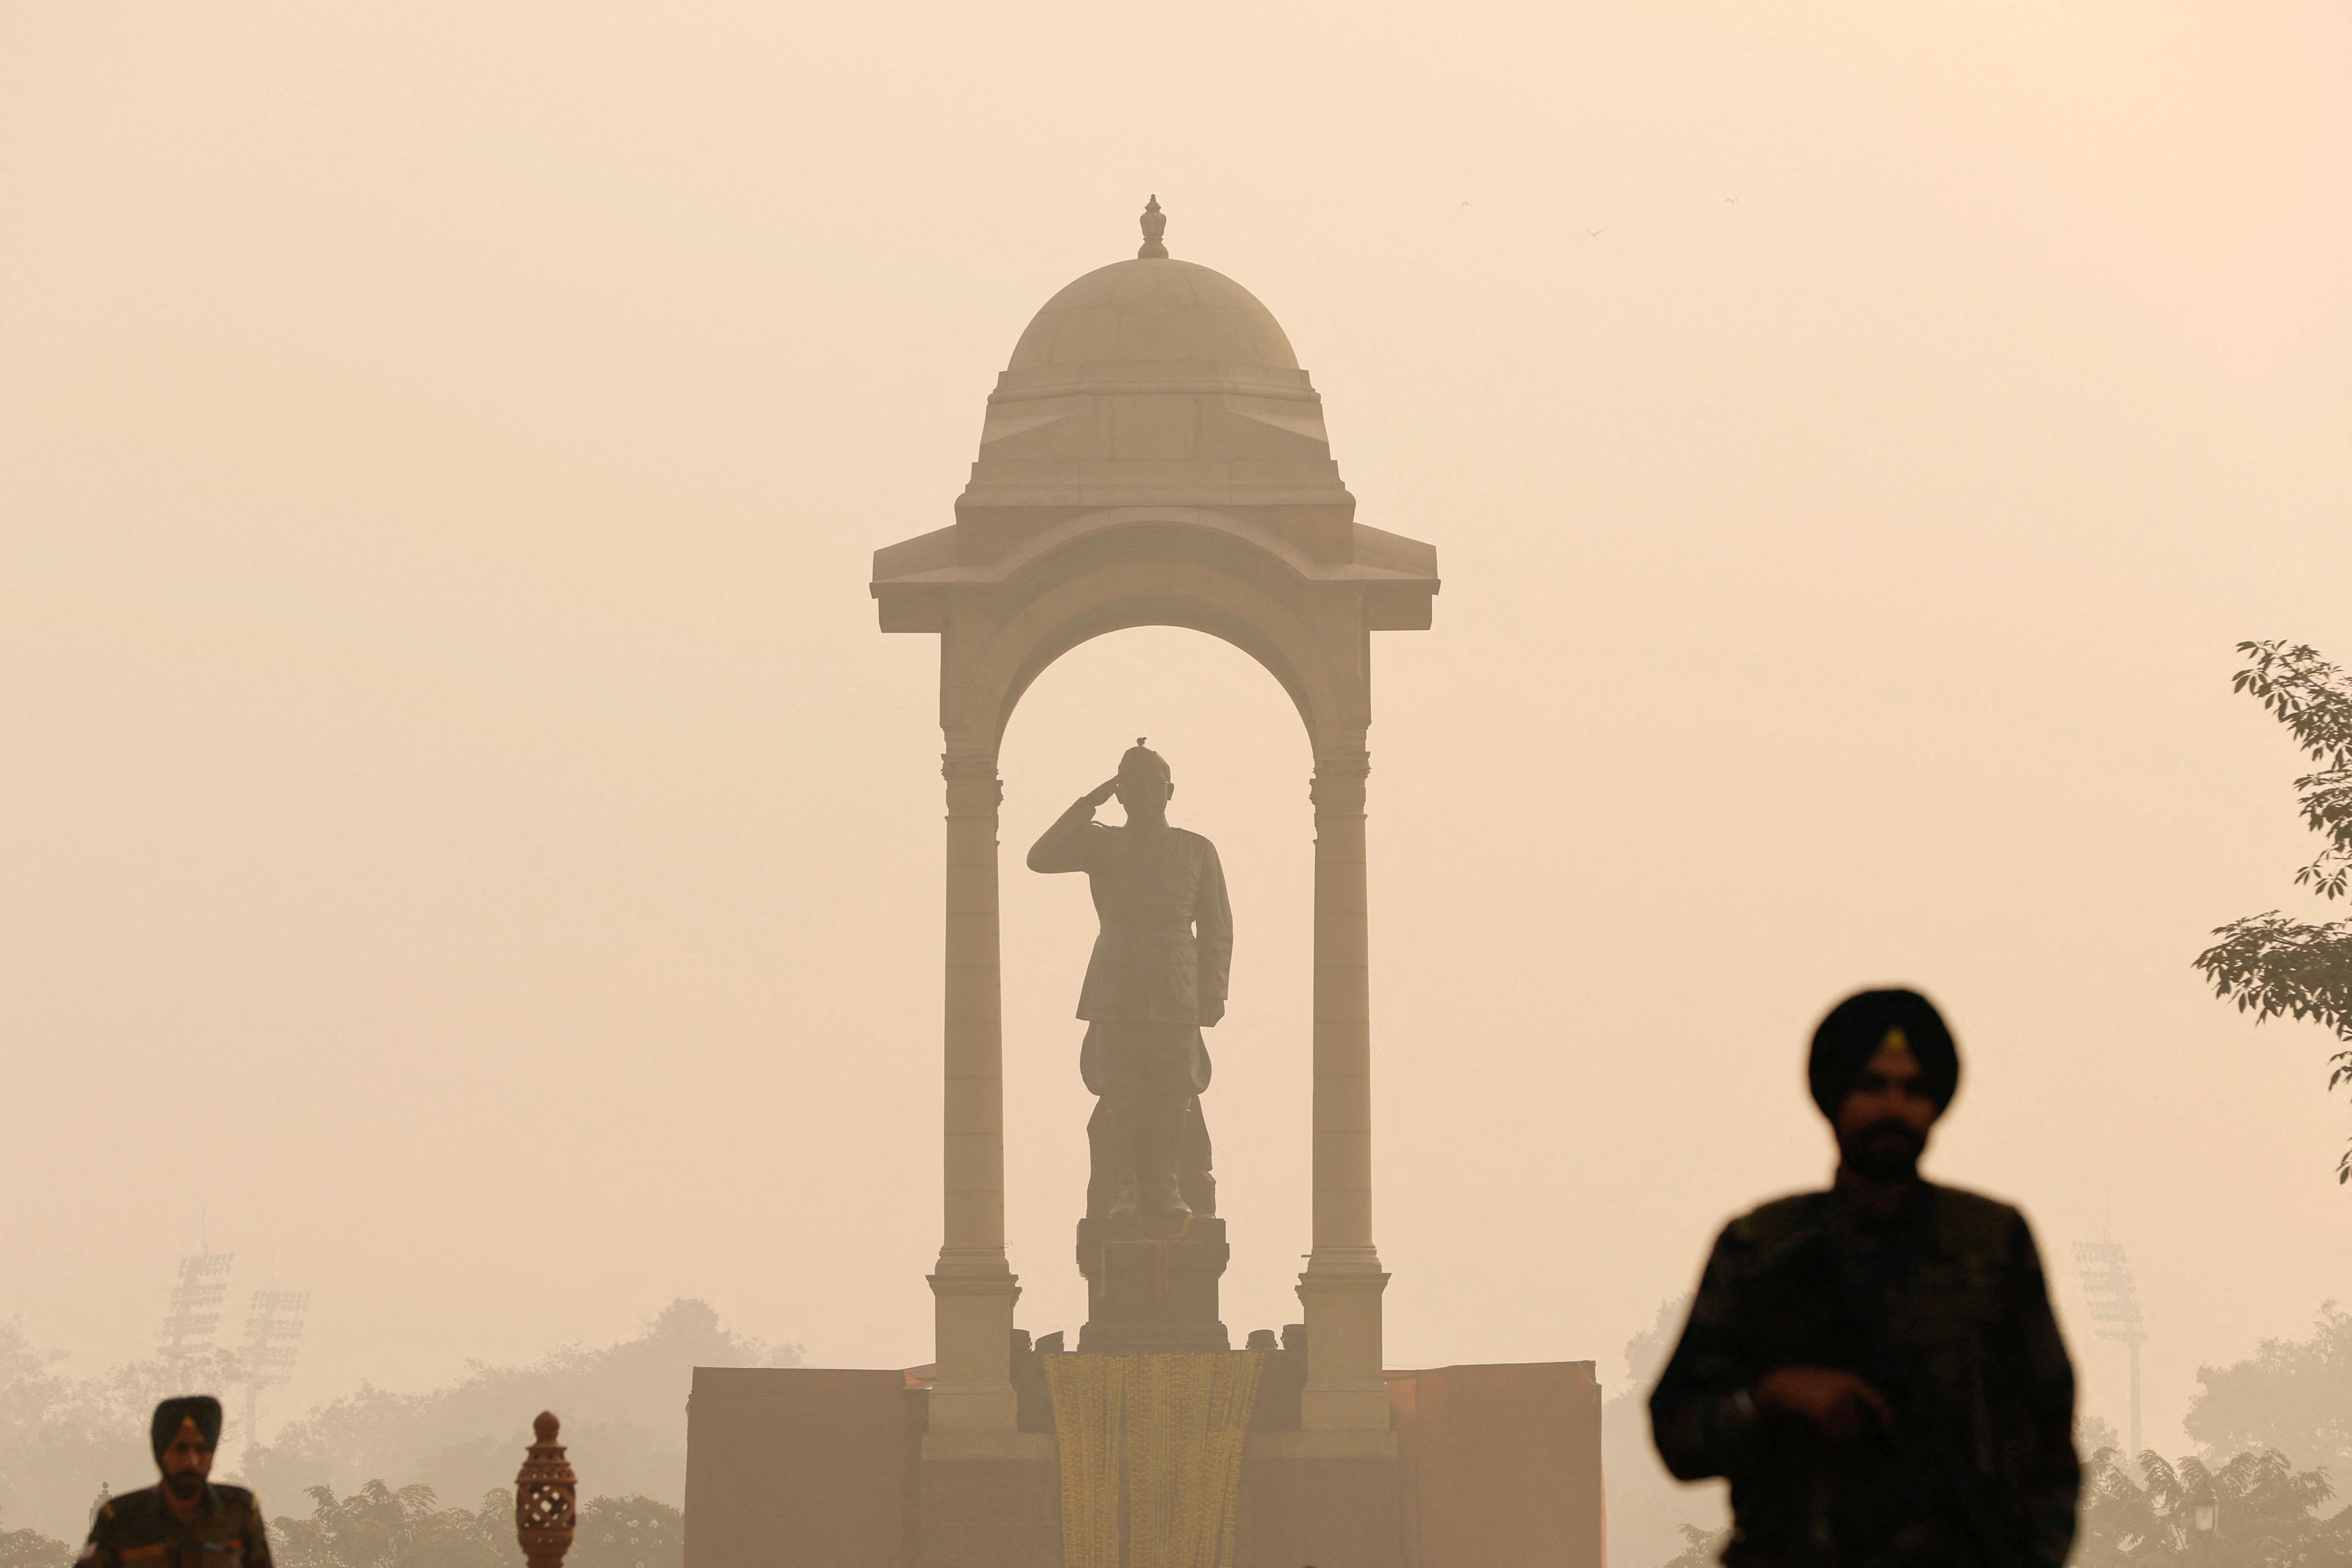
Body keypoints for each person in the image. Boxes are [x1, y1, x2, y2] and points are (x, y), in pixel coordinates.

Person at [1649, 989, 2079, 1568]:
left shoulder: (1993, 1244)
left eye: (1913, 1090)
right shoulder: (1760, 1248)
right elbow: (1679, 1435)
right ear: (1835, 1099)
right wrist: (1772, 1395)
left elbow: (2052, 1432)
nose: (1893, 1108)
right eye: (1872, 1086)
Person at [1028, 739, 1232, 1228]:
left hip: (1175, 980)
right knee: (1120, 1091)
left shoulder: (1197, 849)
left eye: (1153, 784)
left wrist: (1213, 989)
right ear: (1120, 794)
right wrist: (1088, 802)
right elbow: (1040, 856)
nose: (1144, 794)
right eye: (1132, 786)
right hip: (1116, 978)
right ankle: (1127, 1187)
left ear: (1170, 791)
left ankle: (1165, 1186)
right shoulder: (1102, 842)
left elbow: (1217, 925)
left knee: (1172, 1091)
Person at [80, 1394, 275, 1566]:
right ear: (161, 1453)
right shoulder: (121, 1519)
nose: (192, 1461)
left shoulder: (239, 1511)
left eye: (202, 1449)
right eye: (181, 1449)